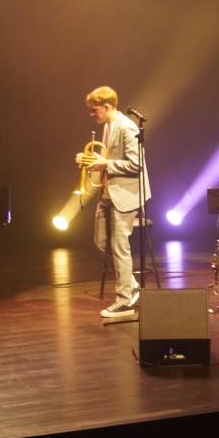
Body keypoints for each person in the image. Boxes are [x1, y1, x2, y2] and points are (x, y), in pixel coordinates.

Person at [76, 86, 151, 318]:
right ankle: (132, 287)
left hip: (125, 195)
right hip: (109, 193)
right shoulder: (108, 125)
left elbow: (136, 165)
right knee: (101, 241)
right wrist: (90, 159)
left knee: (120, 247)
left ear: (107, 106)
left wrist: (105, 164)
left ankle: (125, 300)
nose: (92, 114)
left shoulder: (127, 127)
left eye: (94, 110)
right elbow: (108, 159)